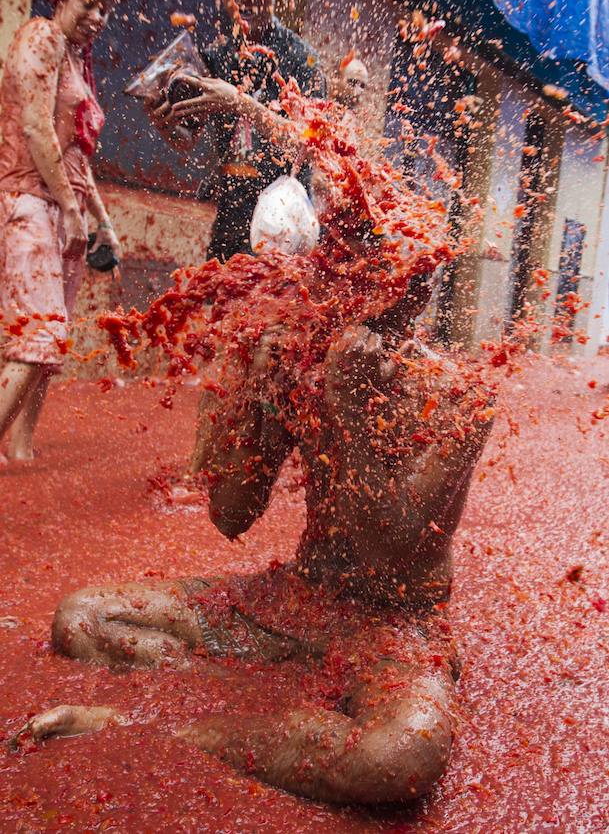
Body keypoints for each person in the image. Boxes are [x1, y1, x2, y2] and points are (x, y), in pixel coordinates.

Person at [25, 225, 493, 805]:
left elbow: (391, 553)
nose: (349, 285)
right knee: (83, 617)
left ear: (415, 291)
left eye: (373, 270)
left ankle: (174, 727)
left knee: (396, 760)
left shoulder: (459, 394)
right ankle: (237, 693)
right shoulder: (303, 365)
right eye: (339, 263)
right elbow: (231, 515)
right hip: (297, 599)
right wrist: (245, 382)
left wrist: (350, 406)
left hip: (393, 624)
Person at [0, 0, 121, 462]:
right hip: (30, 199)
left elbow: (75, 154)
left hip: (63, 205)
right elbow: (35, 127)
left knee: (50, 345)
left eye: (105, 9)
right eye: (88, 4)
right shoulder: (43, 37)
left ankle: (23, 447)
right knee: (38, 333)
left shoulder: (76, 58)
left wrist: (103, 222)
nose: (97, 16)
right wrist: (72, 211)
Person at [148, 0, 326, 262]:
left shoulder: (303, 59)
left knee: (277, 313)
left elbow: (307, 144)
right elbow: (188, 139)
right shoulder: (213, 57)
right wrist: (166, 124)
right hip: (229, 225)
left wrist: (239, 102)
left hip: (286, 229)